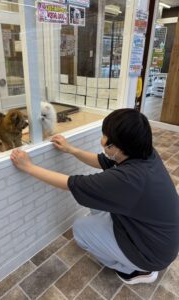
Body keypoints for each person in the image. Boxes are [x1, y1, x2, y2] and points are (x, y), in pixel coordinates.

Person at [10, 108, 179, 285]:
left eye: (105, 136)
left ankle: (132, 271)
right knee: (96, 199)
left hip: (152, 254)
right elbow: (102, 161)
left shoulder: (128, 180)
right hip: (159, 239)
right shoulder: (143, 153)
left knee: (81, 229)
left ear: (117, 146)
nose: (102, 140)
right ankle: (127, 253)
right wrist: (71, 149)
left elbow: (71, 184)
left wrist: (29, 167)